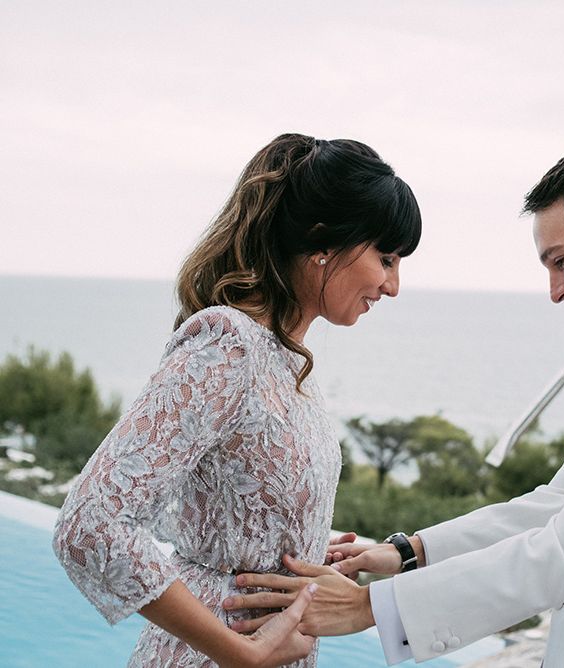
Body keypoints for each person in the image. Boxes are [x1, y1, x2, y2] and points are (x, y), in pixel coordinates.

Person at [224, 142, 564, 668]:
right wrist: (406, 552)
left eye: (562, 261)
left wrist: (369, 607)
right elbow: (555, 504)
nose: (556, 290)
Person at [52, 132, 421, 668]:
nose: (393, 285)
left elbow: (238, 510)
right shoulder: (229, 345)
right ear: (322, 244)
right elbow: (91, 522)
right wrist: (239, 654)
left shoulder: (290, 363)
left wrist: (308, 555)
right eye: (385, 257)